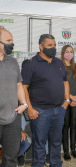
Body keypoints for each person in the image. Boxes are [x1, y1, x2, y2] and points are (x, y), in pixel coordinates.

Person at [21, 34, 70, 166]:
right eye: (50, 45)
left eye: (54, 45)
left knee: (55, 143)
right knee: (39, 145)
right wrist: (29, 108)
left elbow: (65, 81)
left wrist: (66, 101)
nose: (53, 48)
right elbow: (24, 88)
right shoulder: (31, 64)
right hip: (40, 112)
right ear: (41, 46)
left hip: (59, 110)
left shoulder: (59, 63)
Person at [0, 28, 28, 167]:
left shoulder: (13, 62)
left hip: (12, 118)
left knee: (11, 158)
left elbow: (19, 85)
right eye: (8, 41)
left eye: (12, 41)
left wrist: (24, 104)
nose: (12, 44)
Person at [61, 45, 76, 160]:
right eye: (67, 51)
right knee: (65, 125)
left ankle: (73, 149)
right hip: (64, 100)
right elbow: (60, 85)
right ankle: (65, 151)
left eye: (71, 51)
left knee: (74, 124)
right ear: (62, 53)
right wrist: (69, 98)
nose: (69, 53)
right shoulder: (59, 66)